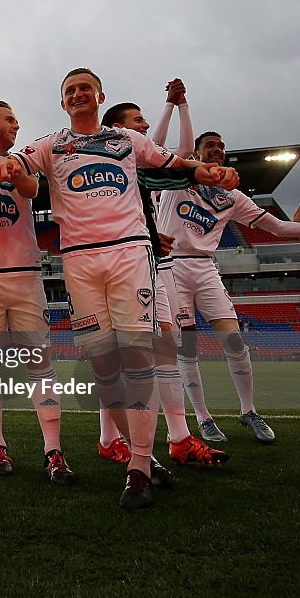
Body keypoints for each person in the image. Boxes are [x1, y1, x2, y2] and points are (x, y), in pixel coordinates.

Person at [0, 68, 235, 509]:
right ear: (63, 103)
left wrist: (208, 173)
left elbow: (173, 165)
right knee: (104, 367)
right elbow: (16, 164)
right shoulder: (51, 144)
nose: (78, 94)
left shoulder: (127, 139)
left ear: (100, 95)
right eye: (70, 90)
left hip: (128, 253)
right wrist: (1, 165)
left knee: (138, 359)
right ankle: (145, 455)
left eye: (85, 87)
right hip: (80, 261)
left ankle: (138, 467)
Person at [101, 87, 230, 467]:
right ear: (119, 131)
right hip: (119, 264)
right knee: (121, 356)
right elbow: (168, 146)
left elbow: (183, 152)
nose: (143, 125)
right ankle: (113, 439)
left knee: (162, 350)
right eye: (136, 120)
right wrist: (171, 105)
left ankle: (178, 437)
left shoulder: (140, 163)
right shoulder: (117, 158)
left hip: (152, 262)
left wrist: (176, 104)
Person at [0, 100, 74, 484]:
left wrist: (10, 171)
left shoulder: (22, 161)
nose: (17, 124)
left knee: (40, 363)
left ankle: (53, 450)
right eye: (9, 119)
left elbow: (31, 187)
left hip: (24, 277)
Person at [158, 131, 300, 444]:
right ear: (195, 152)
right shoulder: (178, 176)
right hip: (173, 266)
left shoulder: (232, 196)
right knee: (187, 349)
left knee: (235, 343)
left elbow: (277, 227)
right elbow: (170, 158)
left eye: (222, 146)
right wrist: (178, 104)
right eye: (211, 145)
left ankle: (249, 411)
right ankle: (203, 416)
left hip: (205, 268)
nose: (218, 150)